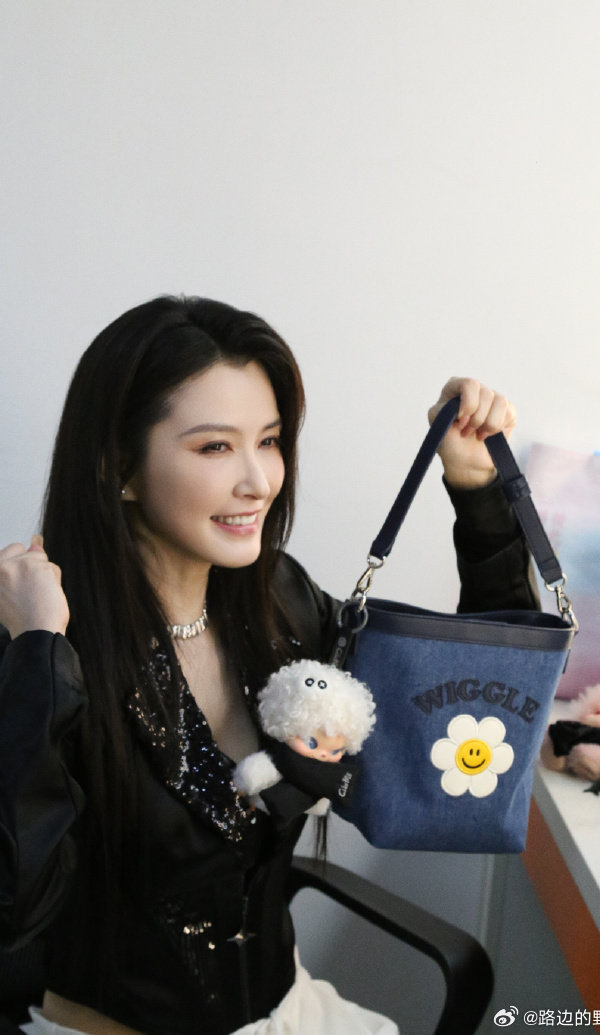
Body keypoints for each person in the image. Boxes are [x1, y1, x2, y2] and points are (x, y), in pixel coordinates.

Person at [0, 295, 537, 1035]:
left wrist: (477, 490)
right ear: (119, 464)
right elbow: (13, 902)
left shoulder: (279, 601)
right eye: (215, 448)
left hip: (288, 1014)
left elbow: (476, 722)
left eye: (271, 440)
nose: (259, 480)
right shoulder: (47, 645)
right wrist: (37, 653)